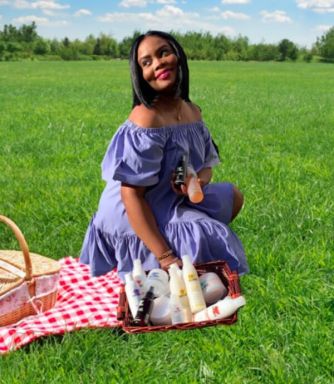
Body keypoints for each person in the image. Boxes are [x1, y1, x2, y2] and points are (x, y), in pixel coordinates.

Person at [80, 30, 249, 280]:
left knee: (231, 197)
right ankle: (163, 258)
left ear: (178, 56)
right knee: (201, 232)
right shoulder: (146, 118)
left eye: (163, 53)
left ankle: (188, 255)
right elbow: (131, 195)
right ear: (140, 75)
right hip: (132, 209)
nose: (157, 64)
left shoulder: (192, 112)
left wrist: (196, 181)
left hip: (169, 196)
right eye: (146, 62)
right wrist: (166, 257)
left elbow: (207, 166)